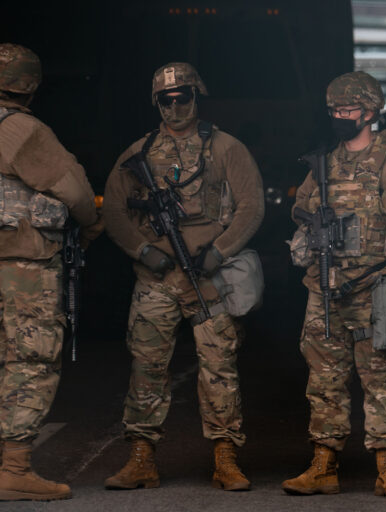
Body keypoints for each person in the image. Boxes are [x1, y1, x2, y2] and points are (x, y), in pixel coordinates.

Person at [282, 71, 386, 499]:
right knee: (323, 381)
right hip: (326, 285)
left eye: (349, 110)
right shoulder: (323, 163)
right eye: (335, 110)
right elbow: (299, 207)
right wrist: (312, 219)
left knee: (380, 379)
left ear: (371, 111)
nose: (341, 116)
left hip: (376, 286)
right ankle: (323, 466)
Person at [102, 62, 264, 491]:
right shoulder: (138, 152)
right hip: (157, 279)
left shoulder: (227, 148)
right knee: (147, 368)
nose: (175, 108)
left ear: (197, 96)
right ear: (156, 103)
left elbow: (251, 207)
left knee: (219, 368)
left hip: (207, 278)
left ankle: (225, 458)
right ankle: (141, 459)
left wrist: (221, 252)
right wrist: (143, 250)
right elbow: (114, 210)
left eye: (183, 98)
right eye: (165, 100)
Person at [0, 43, 102, 501]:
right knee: (34, 360)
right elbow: (72, 187)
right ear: (30, 85)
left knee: (3, 360)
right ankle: (16, 469)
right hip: (27, 262)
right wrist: (91, 223)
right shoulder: (19, 127)